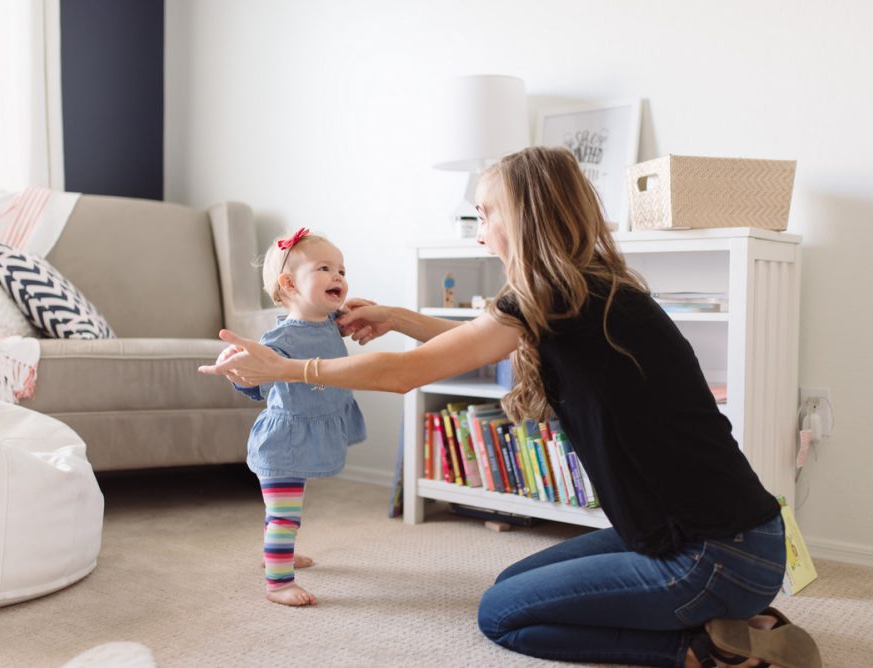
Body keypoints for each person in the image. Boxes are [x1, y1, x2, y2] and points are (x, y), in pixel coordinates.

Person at [199, 147, 821, 666]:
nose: (480, 229)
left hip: (713, 553)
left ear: (524, 216)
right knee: (510, 587)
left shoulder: (552, 296)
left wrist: (287, 367)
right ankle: (737, 613)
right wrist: (394, 317)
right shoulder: (588, 287)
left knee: (503, 617)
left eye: (486, 212)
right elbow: (469, 340)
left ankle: (704, 649)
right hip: (728, 540)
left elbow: (403, 375)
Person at [211, 227, 365, 607]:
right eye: (325, 269)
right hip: (284, 441)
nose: (339, 277)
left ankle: (279, 551)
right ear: (290, 285)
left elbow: (351, 318)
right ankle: (278, 582)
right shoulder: (278, 340)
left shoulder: (331, 323)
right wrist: (237, 371)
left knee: (286, 510)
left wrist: (360, 311)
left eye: (342, 270)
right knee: (284, 515)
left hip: (307, 435)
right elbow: (255, 384)